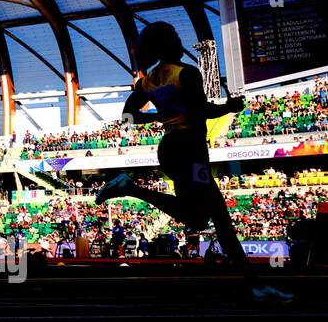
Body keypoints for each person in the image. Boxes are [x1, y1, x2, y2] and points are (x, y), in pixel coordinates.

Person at [96, 22, 291, 302]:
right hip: (190, 148)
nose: (179, 40)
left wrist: (160, 116)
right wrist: (230, 107)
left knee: (198, 217)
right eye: (175, 37)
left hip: (171, 147)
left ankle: (130, 188)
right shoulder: (187, 73)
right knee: (218, 219)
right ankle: (255, 286)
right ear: (168, 44)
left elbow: (127, 116)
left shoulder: (148, 81)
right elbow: (202, 111)